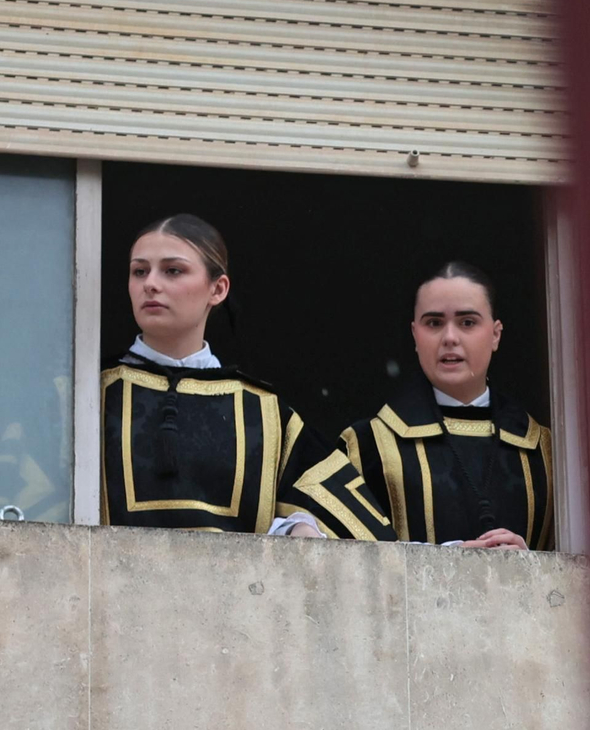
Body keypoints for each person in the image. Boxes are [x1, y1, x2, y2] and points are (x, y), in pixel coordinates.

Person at [100, 214, 392, 540]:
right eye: (139, 271)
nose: (150, 283)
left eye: (173, 270)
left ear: (218, 289)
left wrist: (299, 526)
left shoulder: (265, 413)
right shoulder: (87, 395)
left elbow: (367, 539)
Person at [341, 261, 554, 550]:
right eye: (434, 323)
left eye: (467, 322)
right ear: (415, 335)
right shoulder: (368, 447)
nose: (450, 338)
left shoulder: (547, 452)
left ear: (495, 334)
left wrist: (532, 568)